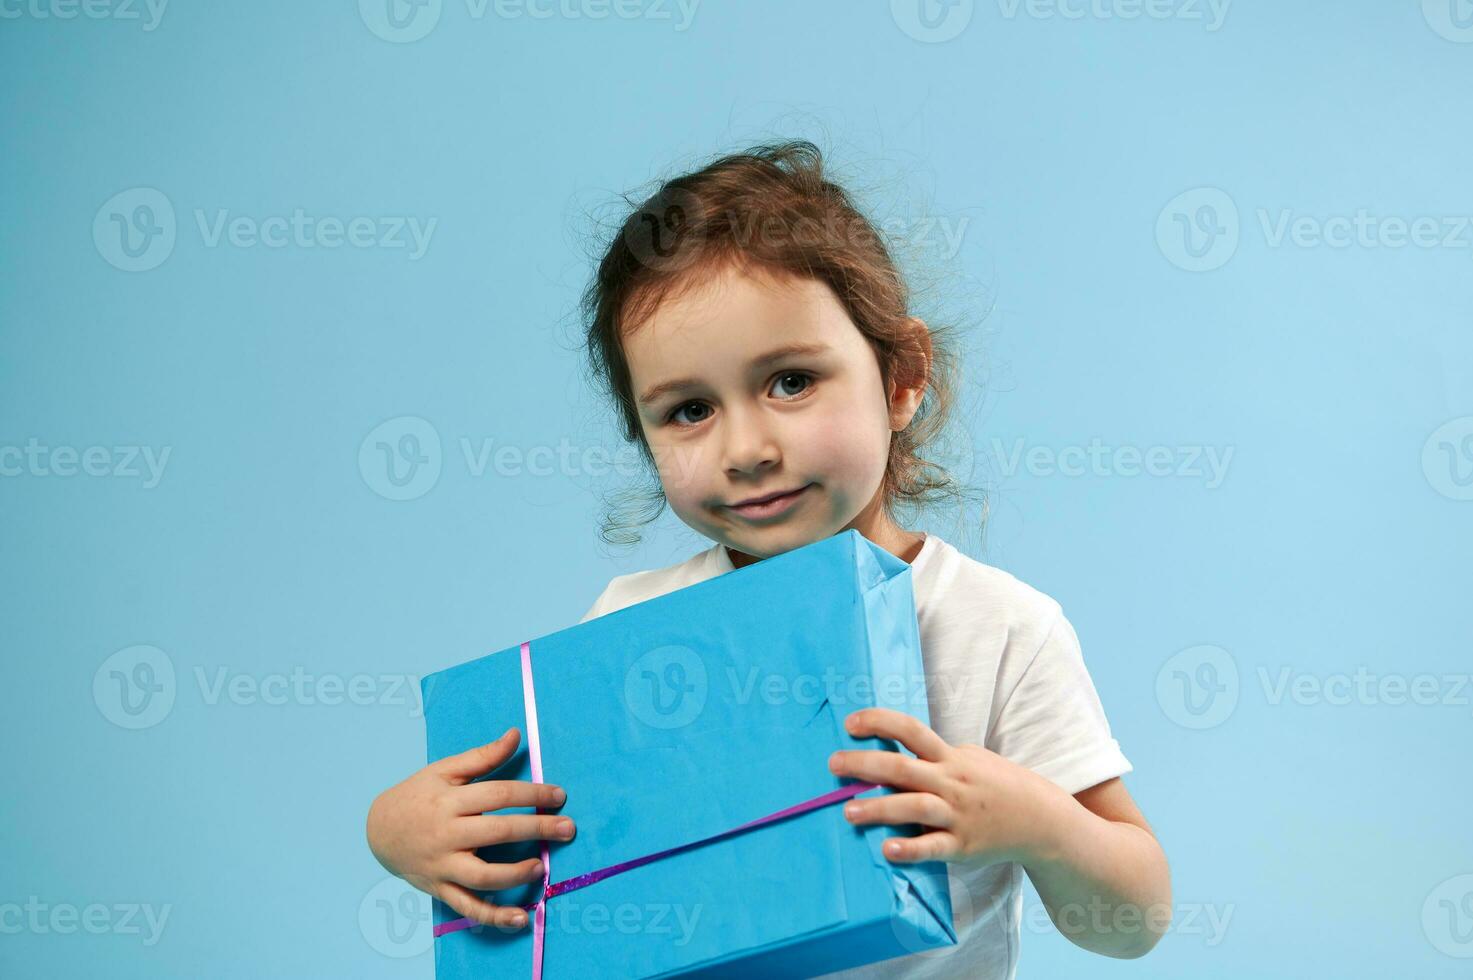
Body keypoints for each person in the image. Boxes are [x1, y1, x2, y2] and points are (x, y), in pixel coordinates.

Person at [367, 139, 1171, 976]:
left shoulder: (999, 628)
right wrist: (398, 833)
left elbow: (1131, 921)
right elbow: (538, 831)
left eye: (790, 381)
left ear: (900, 378)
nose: (746, 449)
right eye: (687, 410)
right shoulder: (632, 623)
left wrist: (1041, 826)